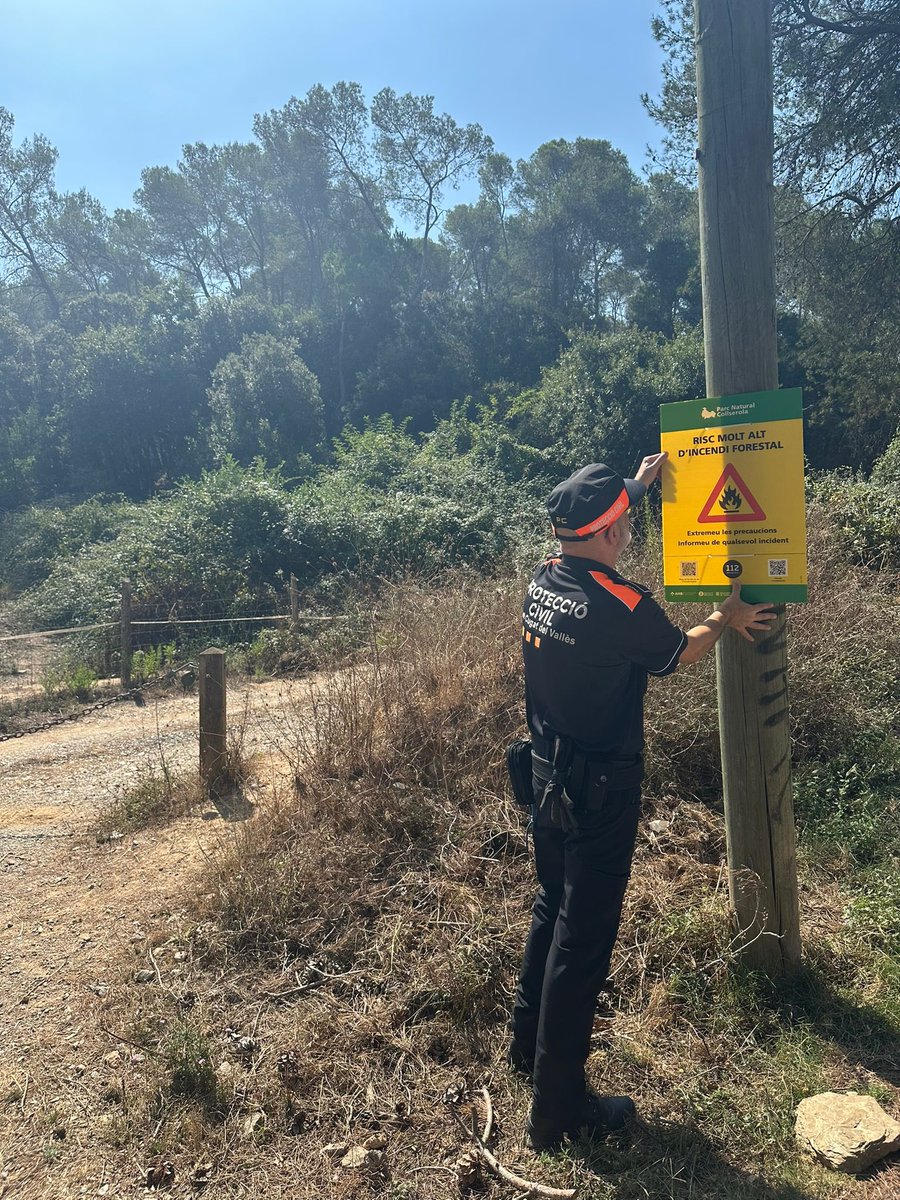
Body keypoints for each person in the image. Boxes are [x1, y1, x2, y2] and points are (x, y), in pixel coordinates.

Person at [511, 454, 776, 1151]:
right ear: (606, 536)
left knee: (550, 903)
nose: (629, 528)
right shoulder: (621, 606)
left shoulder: (545, 579)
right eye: (625, 522)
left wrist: (638, 482)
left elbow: (599, 515)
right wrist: (726, 614)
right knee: (582, 939)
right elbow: (678, 654)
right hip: (598, 791)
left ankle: (524, 1048)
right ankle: (558, 1108)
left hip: (543, 777)